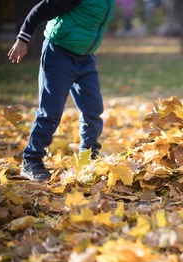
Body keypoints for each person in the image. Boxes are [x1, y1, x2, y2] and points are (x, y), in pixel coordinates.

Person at [8, 0, 115, 181]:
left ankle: (88, 158)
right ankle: (31, 161)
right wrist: (23, 38)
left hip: (86, 58)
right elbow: (44, 8)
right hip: (59, 53)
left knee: (93, 110)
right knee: (50, 113)